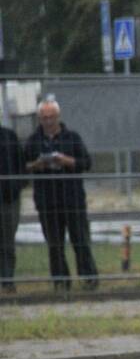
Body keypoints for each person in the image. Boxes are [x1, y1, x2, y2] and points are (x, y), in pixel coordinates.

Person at [23, 99, 97, 290]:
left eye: (52, 117)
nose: (48, 122)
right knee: (54, 244)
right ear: (39, 119)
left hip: (72, 198)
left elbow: (86, 162)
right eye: (44, 118)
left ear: (58, 117)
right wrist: (37, 165)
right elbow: (22, 167)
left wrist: (67, 161)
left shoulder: (72, 137)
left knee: (80, 240)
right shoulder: (33, 141)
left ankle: (88, 277)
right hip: (47, 200)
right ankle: (61, 281)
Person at [0, 122, 25, 293]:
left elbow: (21, 164)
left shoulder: (9, 136)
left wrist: (16, 186)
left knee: (7, 242)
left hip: (9, 199)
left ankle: (7, 280)